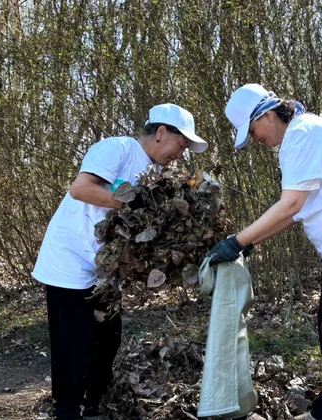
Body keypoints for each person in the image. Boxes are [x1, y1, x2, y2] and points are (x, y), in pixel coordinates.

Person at [206, 84, 322, 420]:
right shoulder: (306, 132)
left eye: (252, 131)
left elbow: (290, 203)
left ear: (266, 115)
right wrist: (251, 242)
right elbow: (295, 210)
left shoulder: (301, 135)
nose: (255, 140)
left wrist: (239, 240)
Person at [32, 104, 208, 420]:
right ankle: (67, 411)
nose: (180, 155)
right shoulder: (118, 149)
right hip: (70, 258)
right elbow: (81, 189)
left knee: (107, 339)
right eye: (181, 146)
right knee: (75, 342)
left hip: (106, 266)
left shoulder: (158, 173)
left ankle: (93, 407)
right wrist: (133, 201)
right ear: (162, 133)